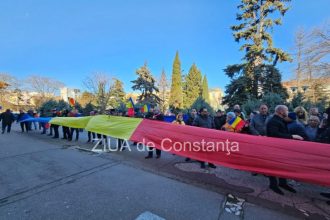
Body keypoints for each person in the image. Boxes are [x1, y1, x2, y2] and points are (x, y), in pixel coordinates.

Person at [266, 105, 304, 195]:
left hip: (281, 148)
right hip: (274, 148)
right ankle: (273, 185)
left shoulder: (280, 120)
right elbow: (274, 134)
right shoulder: (273, 121)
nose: (288, 112)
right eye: (287, 110)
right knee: (273, 167)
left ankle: (283, 183)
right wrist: (292, 136)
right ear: (281, 112)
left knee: (282, 166)